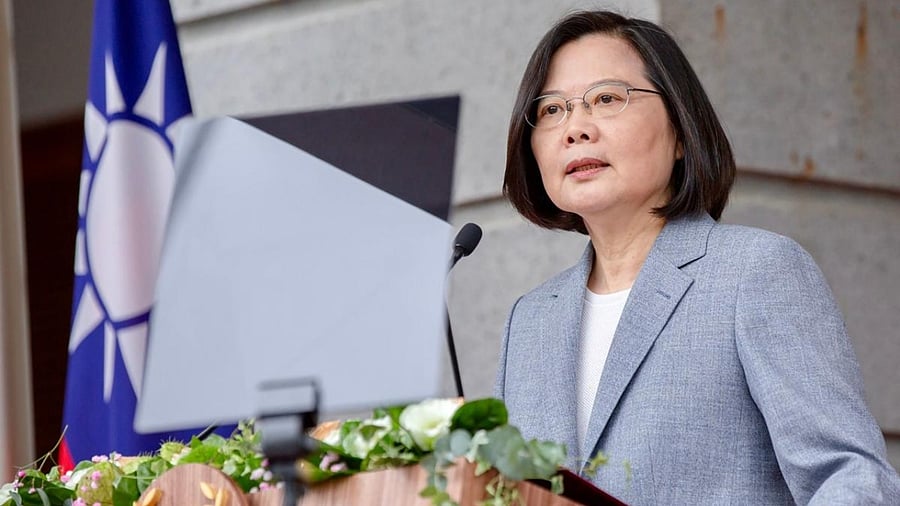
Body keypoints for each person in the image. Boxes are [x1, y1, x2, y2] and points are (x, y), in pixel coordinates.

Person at [493, 10, 900, 505]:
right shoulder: (530, 321)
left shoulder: (754, 273)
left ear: (682, 131)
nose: (575, 128)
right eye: (552, 109)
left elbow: (851, 477)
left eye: (606, 99)